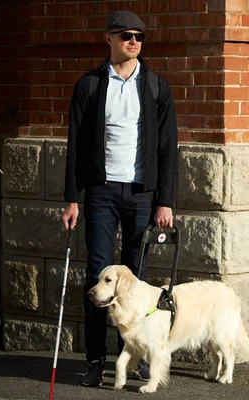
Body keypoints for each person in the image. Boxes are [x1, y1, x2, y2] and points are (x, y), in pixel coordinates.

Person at [61, 10, 178, 387]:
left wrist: (165, 200)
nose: (133, 41)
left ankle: (138, 359)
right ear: (108, 38)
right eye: (125, 35)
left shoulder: (157, 86)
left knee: (137, 280)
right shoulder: (90, 85)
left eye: (139, 36)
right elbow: (74, 146)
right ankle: (95, 360)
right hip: (101, 193)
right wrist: (72, 198)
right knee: (98, 278)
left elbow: (167, 149)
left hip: (142, 195)